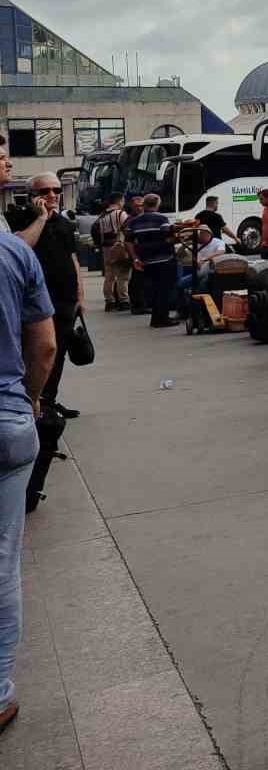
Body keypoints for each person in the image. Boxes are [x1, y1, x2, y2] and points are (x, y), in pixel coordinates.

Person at [1, 223, 58, 735]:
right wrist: (32, 399)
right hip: (7, 420)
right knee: (2, 559)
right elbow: (43, 347)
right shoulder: (15, 254)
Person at [7, 175, 83, 419]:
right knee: (38, 351)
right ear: (31, 195)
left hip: (65, 298)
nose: (52, 195)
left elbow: (73, 259)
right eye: (44, 191)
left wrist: (79, 294)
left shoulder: (64, 223)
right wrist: (40, 218)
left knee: (58, 352)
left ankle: (49, 400)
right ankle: (32, 400)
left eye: (56, 190)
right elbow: (21, 247)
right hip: (36, 300)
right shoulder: (19, 219)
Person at [126, 194, 178, 328]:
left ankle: (156, 319)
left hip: (146, 260)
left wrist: (135, 258)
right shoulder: (162, 219)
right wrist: (175, 236)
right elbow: (168, 237)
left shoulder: (134, 222)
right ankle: (162, 318)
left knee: (153, 289)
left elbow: (128, 241)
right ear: (157, 204)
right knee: (164, 289)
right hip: (164, 259)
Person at [174, 226, 227, 312]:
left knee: (201, 287)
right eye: (200, 234)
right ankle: (182, 311)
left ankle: (202, 311)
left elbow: (221, 252)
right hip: (198, 273)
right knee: (179, 285)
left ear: (208, 234)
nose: (201, 236)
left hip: (210, 273)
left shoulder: (217, 242)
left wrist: (205, 259)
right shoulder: (197, 244)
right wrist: (186, 244)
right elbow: (180, 255)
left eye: (202, 233)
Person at [94, 193, 132, 311]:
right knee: (122, 275)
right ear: (119, 201)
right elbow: (126, 229)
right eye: (123, 200)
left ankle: (109, 301)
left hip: (106, 247)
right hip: (119, 245)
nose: (124, 203)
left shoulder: (101, 216)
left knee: (109, 275)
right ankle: (124, 300)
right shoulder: (121, 213)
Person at [124, 194, 148, 315]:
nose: (139, 208)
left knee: (141, 279)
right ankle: (137, 305)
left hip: (143, 253)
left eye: (141, 206)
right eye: (136, 206)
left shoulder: (143, 218)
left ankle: (142, 303)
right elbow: (128, 240)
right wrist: (134, 257)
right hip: (135, 253)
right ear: (132, 207)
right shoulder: (130, 220)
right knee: (137, 280)